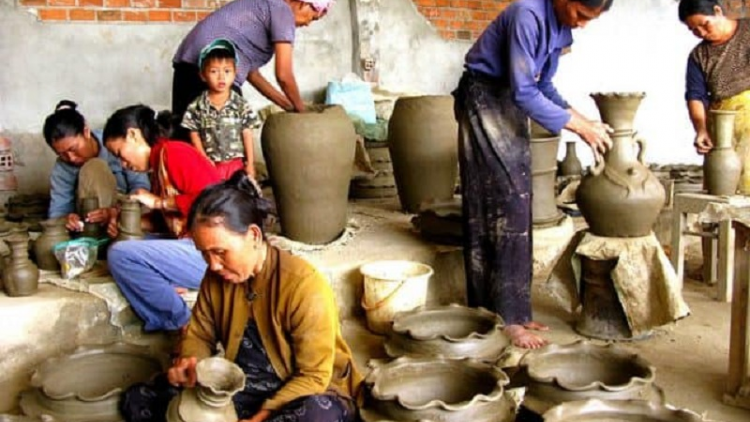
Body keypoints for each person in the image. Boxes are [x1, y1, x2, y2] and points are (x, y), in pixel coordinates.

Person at [122, 172, 362, 422]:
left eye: (220, 252)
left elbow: (314, 376)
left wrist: (260, 417)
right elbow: (200, 334)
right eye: (204, 254)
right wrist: (191, 363)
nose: (213, 264)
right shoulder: (216, 276)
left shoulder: (304, 286)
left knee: (317, 414)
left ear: (254, 236)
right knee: (139, 398)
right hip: (245, 384)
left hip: (305, 390)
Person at [453, 0, 614, 349]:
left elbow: (544, 87)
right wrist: (578, 128)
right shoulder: (527, 15)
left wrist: (584, 121)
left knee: (517, 206)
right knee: (497, 204)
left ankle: (514, 310)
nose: (583, 25)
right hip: (483, 97)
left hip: (507, 100)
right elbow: (525, 90)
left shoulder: (560, 27)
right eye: (582, 15)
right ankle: (501, 317)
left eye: (590, 20)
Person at [102, 104, 222, 332]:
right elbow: (168, 220)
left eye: (120, 154)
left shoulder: (174, 152)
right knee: (124, 244)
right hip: (196, 248)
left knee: (121, 255)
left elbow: (216, 201)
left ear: (133, 135)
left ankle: (182, 324)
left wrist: (158, 202)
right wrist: (129, 224)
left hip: (215, 252)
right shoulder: (159, 165)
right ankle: (164, 287)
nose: (123, 164)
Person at [171, 0, 334, 123]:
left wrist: (288, 105)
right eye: (313, 18)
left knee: (185, 137)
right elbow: (284, 75)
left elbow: (252, 74)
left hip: (187, 66)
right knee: (225, 145)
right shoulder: (283, 11)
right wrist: (302, 111)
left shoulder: (266, 7)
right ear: (303, 3)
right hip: (213, 70)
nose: (307, 24)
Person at [43, 100, 150, 232]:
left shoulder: (114, 143)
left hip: (125, 208)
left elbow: (141, 186)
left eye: (73, 148)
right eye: (62, 154)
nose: (70, 158)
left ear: (86, 132)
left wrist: (116, 211)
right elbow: (57, 212)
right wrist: (66, 219)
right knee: (93, 168)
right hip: (89, 218)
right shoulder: (61, 168)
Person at [679, 0, 750, 193]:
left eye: (704, 24)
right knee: (724, 194)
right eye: (693, 30)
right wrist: (701, 129)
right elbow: (695, 96)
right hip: (721, 127)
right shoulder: (699, 55)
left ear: (718, 11)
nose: (701, 33)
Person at [181, 39, 260, 179]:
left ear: (235, 73)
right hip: (211, 165)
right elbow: (194, 134)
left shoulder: (241, 105)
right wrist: (204, 159)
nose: (221, 77)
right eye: (214, 71)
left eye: (227, 71)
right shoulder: (197, 106)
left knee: (239, 197)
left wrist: (250, 163)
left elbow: (247, 133)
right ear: (203, 75)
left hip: (236, 165)